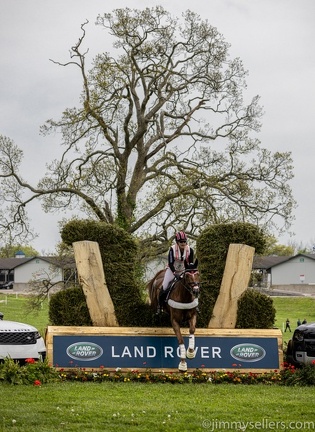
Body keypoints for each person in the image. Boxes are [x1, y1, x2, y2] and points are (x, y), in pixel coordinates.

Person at [157, 231, 194, 313]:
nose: (183, 243)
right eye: (181, 241)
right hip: (172, 270)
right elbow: (170, 263)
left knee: (193, 285)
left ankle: (195, 306)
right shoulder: (172, 249)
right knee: (165, 286)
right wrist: (175, 273)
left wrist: (189, 272)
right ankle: (160, 306)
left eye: (184, 241)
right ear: (177, 242)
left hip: (184, 270)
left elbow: (190, 263)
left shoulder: (190, 250)